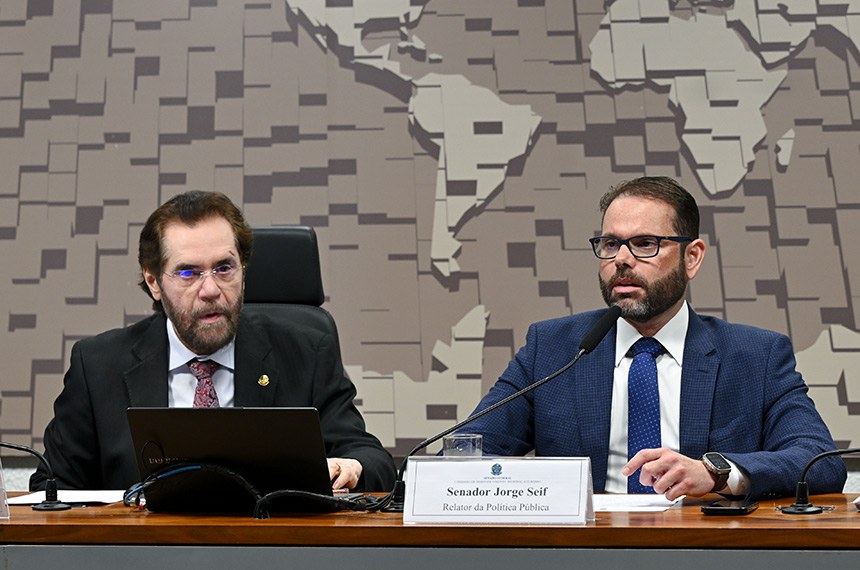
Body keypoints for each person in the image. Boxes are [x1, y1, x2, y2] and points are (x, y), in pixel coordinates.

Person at [465, 176, 846, 500]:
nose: (622, 260)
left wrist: (715, 472)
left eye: (645, 243)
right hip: (580, 553)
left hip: (704, 552)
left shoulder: (755, 355)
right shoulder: (553, 348)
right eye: (611, 244)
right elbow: (470, 449)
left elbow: (818, 459)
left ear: (692, 257)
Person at [30, 191, 395, 492]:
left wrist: (353, 466)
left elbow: (373, 460)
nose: (210, 290)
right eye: (188, 272)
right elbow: (51, 487)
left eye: (224, 268)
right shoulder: (98, 366)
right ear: (154, 282)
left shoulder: (305, 354)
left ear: (244, 270)